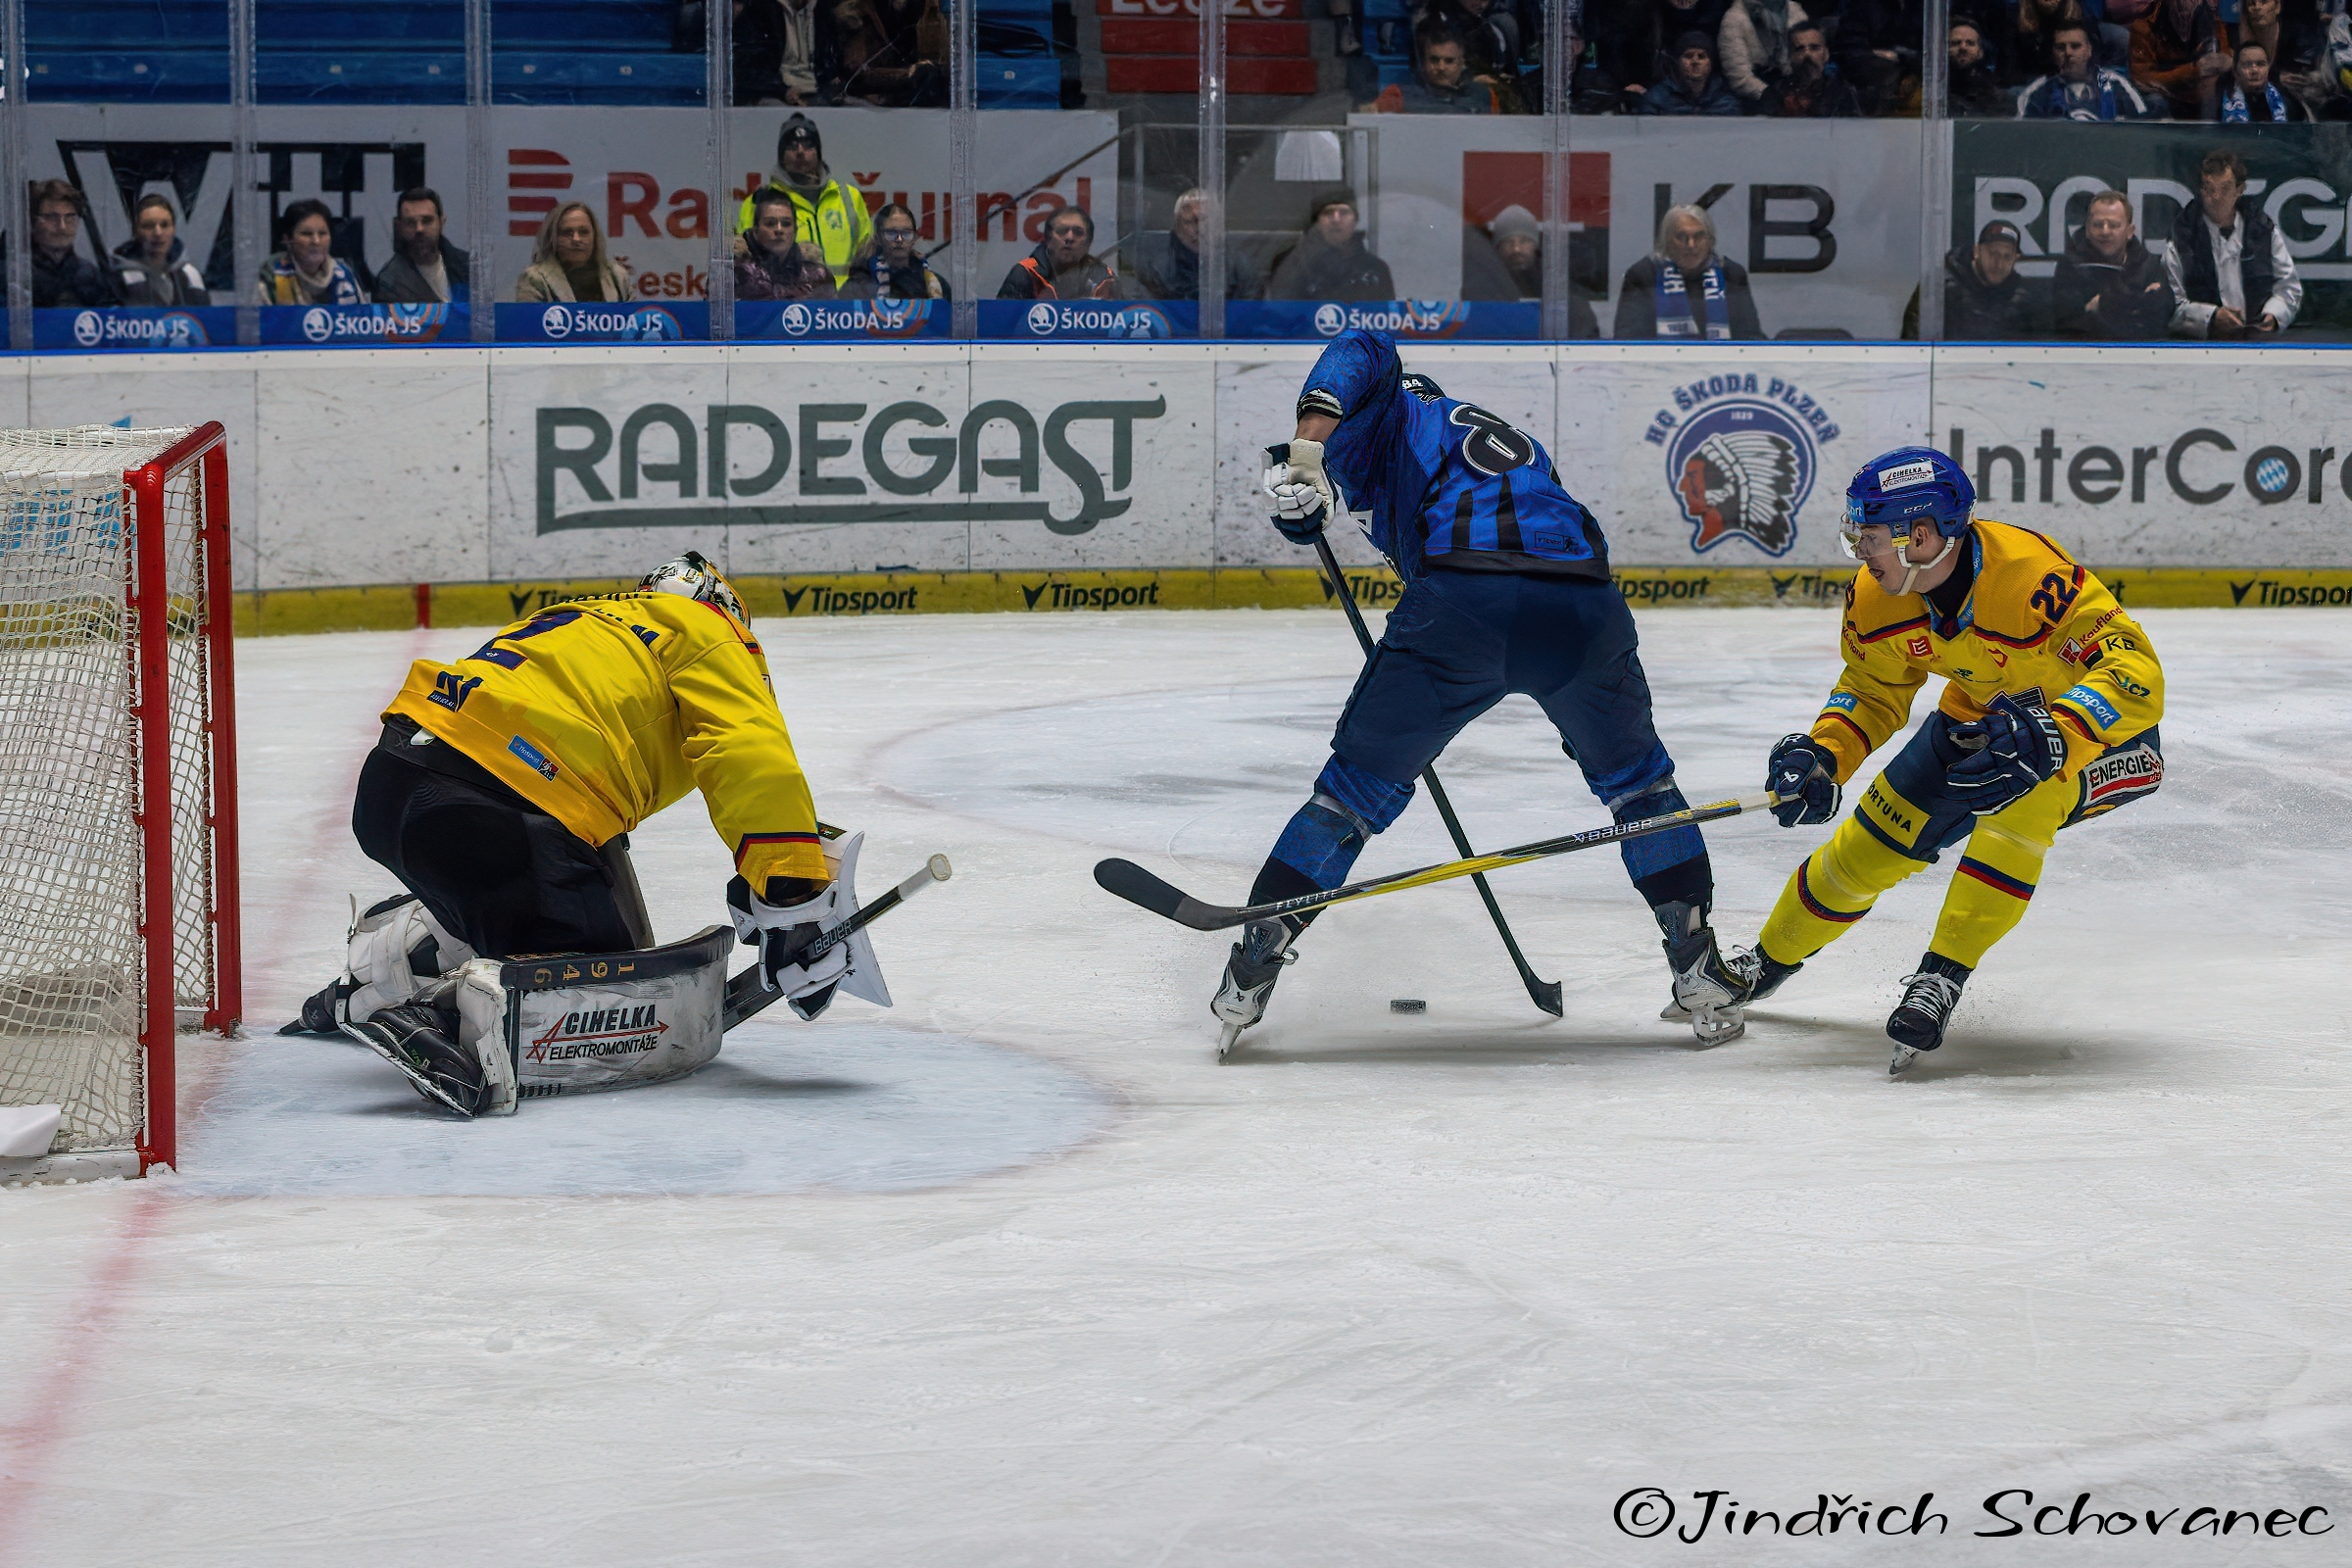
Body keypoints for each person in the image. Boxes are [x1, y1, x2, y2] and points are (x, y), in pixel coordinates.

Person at [1222, 331, 1748, 1053]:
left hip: (1464, 607)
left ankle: (1255, 961)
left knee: (1351, 795)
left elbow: (1362, 346)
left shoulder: (1388, 415)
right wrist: (1304, 512)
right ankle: (1697, 964)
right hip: (1584, 609)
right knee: (1641, 787)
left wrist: (1308, 449)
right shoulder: (1496, 441)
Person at [278, 554, 885, 1116]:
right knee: (611, 993)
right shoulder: (706, 630)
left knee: (544, 901)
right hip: (503, 802)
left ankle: (382, 967)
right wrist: (792, 892)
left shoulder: (585, 619)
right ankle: (435, 1015)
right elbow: (747, 749)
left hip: (393, 781)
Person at [1724, 448, 2165, 1073]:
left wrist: (2060, 731)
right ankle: (1763, 964)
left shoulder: (2032, 579)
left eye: (1871, 537)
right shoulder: (1876, 596)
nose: (1860, 552)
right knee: (1870, 847)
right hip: (1979, 719)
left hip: (2108, 740)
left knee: (2023, 797)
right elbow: (1873, 690)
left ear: (1922, 536)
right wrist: (1825, 753)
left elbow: (2135, 671)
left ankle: (1941, 978)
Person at [2163, 148, 2301, 337]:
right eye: (2210, 189)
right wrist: (2210, 317)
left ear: (2240, 190)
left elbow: (2289, 287)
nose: (2216, 198)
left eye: (2225, 189)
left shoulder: (2263, 232)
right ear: (2201, 191)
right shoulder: (2182, 237)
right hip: (2202, 346)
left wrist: (2274, 314)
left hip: (2257, 342)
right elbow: (2170, 304)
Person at [734, 114, 873, 286]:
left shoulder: (849, 196)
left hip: (845, 299)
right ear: (781, 156)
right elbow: (747, 260)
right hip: (785, 296)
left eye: (808, 145)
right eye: (792, 146)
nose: (800, 151)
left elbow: (866, 253)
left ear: (818, 152)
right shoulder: (760, 201)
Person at [1612, 205, 1765, 340]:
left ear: (1710, 241)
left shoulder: (1730, 274)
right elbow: (1628, 340)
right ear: (1666, 241)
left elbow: (1749, 336)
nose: (1691, 245)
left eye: (1699, 236)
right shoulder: (1644, 275)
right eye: (1681, 237)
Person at [1458, 204, 1603, 333]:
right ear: (1498, 248)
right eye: (1508, 242)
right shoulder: (1480, 287)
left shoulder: (1557, 285)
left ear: (1535, 244)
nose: (1516, 249)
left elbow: (1584, 332)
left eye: (1524, 241)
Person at [2052, 189, 2174, 338]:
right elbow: (2069, 324)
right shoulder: (2071, 266)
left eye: (2114, 225)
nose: (2105, 232)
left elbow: (2159, 319)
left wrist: (2103, 304)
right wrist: (2134, 302)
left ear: (2130, 231)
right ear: (2088, 229)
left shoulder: (2149, 266)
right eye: (2098, 225)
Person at [1901, 220, 2047, 340]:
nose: (1998, 264)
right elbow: (1915, 345)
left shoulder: (2022, 300)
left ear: (2016, 259)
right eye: (1993, 253)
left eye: (2006, 257)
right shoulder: (1940, 286)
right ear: (1977, 251)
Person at [1126, 188, 1257, 304]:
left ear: (1219, 226)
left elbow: (1252, 312)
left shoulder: (1239, 267)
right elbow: (1146, 311)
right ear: (1177, 228)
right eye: (1189, 222)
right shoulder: (1157, 270)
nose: (1200, 229)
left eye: (1206, 220)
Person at [1267, 190, 1396, 302]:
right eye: (1328, 213)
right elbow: (1280, 315)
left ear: (1355, 220)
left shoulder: (1374, 269)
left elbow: (1386, 317)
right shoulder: (1290, 265)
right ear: (1316, 222)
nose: (1336, 219)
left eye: (1344, 213)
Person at [2018, 22, 2167, 117]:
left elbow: (2140, 130)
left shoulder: (2116, 85)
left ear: (2089, 50)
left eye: (2075, 46)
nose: (2068, 53)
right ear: (2053, 53)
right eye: (2060, 47)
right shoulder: (2037, 92)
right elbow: (2023, 139)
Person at [513, 201, 636, 304]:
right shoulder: (535, 278)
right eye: (567, 232)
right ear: (553, 238)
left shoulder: (618, 277)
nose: (576, 239)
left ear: (594, 237)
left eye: (583, 232)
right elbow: (528, 324)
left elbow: (635, 322)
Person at [830, 0, 947, 106]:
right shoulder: (855, 15)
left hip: (911, 104)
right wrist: (911, 75)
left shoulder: (921, 11)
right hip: (864, 107)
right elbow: (855, 77)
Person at [2130, 0, 2232, 120]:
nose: (2184, 3)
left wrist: (2228, 60)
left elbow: (2223, 57)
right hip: (2167, 97)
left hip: (2202, 97)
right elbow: (2142, 78)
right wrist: (2192, 71)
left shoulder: (2212, 23)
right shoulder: (2145, 26)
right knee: (2155, 101)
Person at [370, 187, 471, 306]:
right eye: (410, 222)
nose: (419, 229)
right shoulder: (389, 284)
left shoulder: (469, 267)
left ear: (441, 223)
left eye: (427, 221)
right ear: (399, 226)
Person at [257, 199, 368, 305]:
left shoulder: (345, 276)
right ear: (288, 240)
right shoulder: (271, 280)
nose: (316, 241)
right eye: (306, 234)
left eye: (322, 233)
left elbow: (365, 316)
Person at [995, 205, 1117, 300]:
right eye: (1062, 231)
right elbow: (1004, 322)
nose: (1069, 238)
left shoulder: (1104, 278)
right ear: (1048, 240)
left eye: (1078, 232)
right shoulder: (1025, 273)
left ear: (1088, 244)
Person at [108, 194, 210, 308]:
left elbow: (206, 317)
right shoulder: (116, 280)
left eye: (165, 225)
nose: (158, 233)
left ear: (174, 229)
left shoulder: (191, 277)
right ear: (135, 231)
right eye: (148, 226)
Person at [26, 180, 117, 308]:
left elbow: (108, 314)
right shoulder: (15, 273)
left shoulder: (90, 275)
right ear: (33, 221)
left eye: (69, 217)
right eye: (52, 217)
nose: (62, 226)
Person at [740, 192, 842, 301]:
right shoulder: (739, 274)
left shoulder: (817, 276)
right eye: (770, 223)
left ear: (795, 231)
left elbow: (831, 311)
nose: (779, 229)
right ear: (755, 231)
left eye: (786, 224)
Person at [1374, 24, 1499, 112]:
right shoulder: (1397, 96)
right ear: (1423, 61)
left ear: (1462, 63)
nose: (1441, 67)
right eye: (1434, 60)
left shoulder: (1485, 96)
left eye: (1449, 61)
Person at [841, 201, 951, 301]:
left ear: (914, 238)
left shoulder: (935, 285)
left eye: (906, 233)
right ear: (878, 237)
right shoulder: (858, 286)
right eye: (891, 233)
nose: (899, 240)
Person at [1757, 20, 1863, 114]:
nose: (1807, 54)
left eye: (1814, 48)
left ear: (1826, 54)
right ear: (1790, 55)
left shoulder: (1842, 93)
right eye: (1799, 49)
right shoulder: (1775, 93)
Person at [1719, 0, 1809, 105]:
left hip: (1797, 87)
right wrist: (1774, 96)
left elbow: (1808, 53)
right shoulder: (1733, 20)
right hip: (1756, 98)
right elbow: (1739, 77)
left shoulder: (1793, 9)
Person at [1635, 31, 1745, 113]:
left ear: (1710, 64)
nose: (1695, 61)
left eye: (1701, 56)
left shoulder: (1726, 101)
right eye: (1688, 56)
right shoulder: (1657, 98)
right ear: (1678, 62)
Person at [2213, 39, 2312, 117]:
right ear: (2235, 71)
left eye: (2260, 64)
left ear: (2268, 70)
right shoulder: (2217, 102)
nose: (2254, 70)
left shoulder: (2290, 105)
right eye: (2246, 65)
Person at [1945, 18, 2015, 114]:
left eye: (1970, 43)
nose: (1963, 47)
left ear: (1980, 52)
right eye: (1956, 43)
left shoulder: (1997, 96)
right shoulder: (1934, 91)